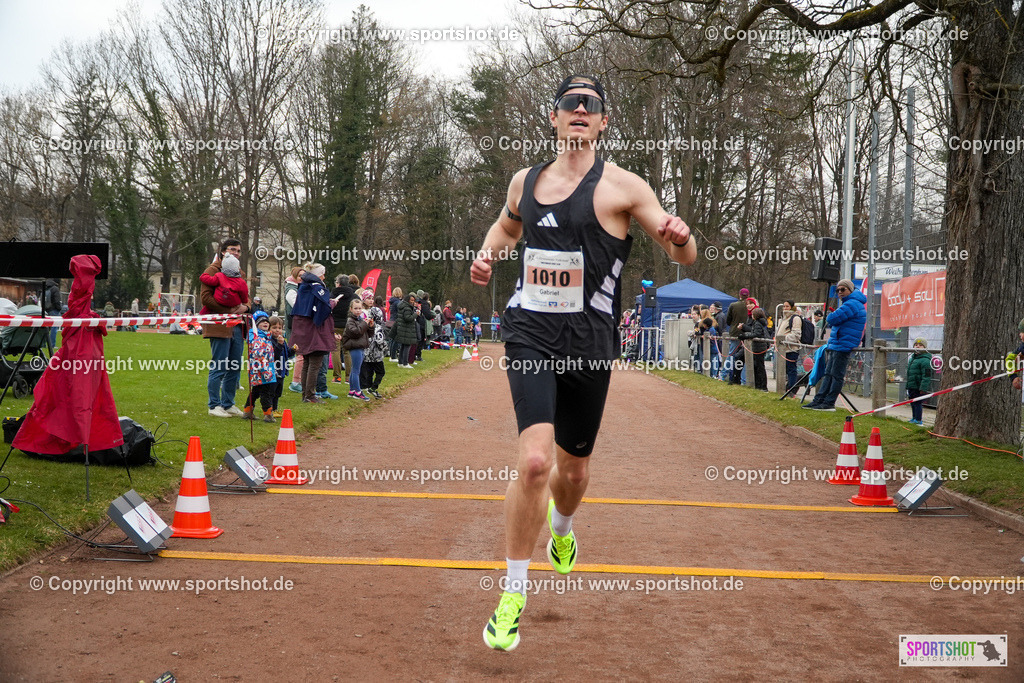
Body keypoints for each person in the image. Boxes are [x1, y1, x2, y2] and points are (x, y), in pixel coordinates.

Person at [469, 74, 697, 651]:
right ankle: (512, 594)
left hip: (590, 346)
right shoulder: (527, 181)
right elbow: (506, 223)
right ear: (553, 117)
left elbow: (682, 253)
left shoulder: (623, 187)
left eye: (590, 105)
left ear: (601, 122)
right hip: (530, 334)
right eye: (569, 102)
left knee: (572, 474)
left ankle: (563, 529)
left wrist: (679, 235)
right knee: (535, 463)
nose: (578, 110)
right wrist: (488, 253)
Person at [201, 239, 250, 418]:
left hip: (238, 325)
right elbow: (206, 298)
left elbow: (246, 296)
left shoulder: (239, 272)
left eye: (238, 250)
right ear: (223, 251)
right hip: (219, 325)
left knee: (234, 366)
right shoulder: (212, 271)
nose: (236, 253)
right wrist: (228, 310)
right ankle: (214, 405)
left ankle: (228, 404)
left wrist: (246, 307)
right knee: (220, 365)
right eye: (232, 249)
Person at [803, 279, 866, 411]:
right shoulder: (850, 303)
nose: (840, 292)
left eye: (843, 289)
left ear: (850, 289)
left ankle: (829, 402)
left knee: (835, 375)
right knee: (828, 374)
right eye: (838, 290)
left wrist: (832, 315)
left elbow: (831, 319)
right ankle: (819, 400)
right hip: (838, 343)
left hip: (843, 344)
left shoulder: (852, 303)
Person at [290, 264, 338, 403]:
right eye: (323, 274)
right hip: (314, 329)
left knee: (307, 363)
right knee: (315, 363)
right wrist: (333, 304)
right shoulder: (316, 287)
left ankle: (306, 394)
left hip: (303, 328)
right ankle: (310, 396)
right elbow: (323, 308)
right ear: (318, 275)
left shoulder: (304, 286)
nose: (324, 276)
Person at [243, 310, 277, 422]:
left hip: (266, 368)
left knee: (256, 391)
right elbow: (258, 354)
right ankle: (268, 414)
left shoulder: (266, 336)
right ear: (256, 324)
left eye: (267, 321)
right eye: (262, 322)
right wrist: (265, 370)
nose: (265, 323)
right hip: (262, 370)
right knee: (265, 392)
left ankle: (247, 411)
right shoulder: (257, 337)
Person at [341, 298, 371, 401]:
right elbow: (356, 332)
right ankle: (358, 392)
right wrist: (364, 324)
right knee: (356, 370)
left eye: (359, 308)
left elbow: (367, 333)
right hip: (355, 347)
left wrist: (370, 326)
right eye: (355, 308)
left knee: (355, 369)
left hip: (360, 346)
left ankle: (352, 390)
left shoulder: (360, 320)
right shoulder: (350, 321)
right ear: (351, 309)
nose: (358, 310)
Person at [360, 295, 387, 399]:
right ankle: (374, 387)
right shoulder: (378, 327)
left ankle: (368, 387)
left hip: (367, 354)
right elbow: (380, 341)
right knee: (381, 372)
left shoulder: (367, 325)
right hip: (376, 355)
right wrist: (385, 349)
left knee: (369, 372)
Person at [330, 274, 355, 384]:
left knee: (335, 350)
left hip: (335, 324)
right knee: (347, 351)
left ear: (338, 283)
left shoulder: (332, 295)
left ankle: (337, 376)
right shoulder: (353, 296)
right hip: (348, 325)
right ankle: (349, 377)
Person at [285, 266, 304, 392]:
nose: (302, 278)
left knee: (303, 355)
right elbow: (298, 306)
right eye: (300, 276)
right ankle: (295, 382)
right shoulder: (291, 290)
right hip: (295, 328)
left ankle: (299, 381)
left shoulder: (297, 288)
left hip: (299, 327)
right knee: (300, 355)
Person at [724, 288, 749, 383]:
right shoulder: (751, 305)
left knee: (731, 355)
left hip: (735, 332)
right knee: (746, 357)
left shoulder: (733, 305)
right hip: (747, 333)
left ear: (739, 294)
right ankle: (744, 380)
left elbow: (728, 320)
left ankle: (723, 375)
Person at [776, 300, 803, 391]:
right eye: (784, 306)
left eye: (787, 306)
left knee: (791, 370)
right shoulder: (783, 319)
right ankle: (786, 388)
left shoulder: (795, 318)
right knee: (786, 370)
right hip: (783, 349)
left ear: (792, 307)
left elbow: (796, 335)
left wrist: (783, 339)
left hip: (791, 349)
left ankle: (792, 389)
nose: (785, 308)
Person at [906, 339, 933, 425]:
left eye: (920, 345)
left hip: (919, 386)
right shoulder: (912, 359)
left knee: (918, 403)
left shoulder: (926, 360)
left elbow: (927, 375)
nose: (917, 346)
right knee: (912, 402)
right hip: (912, 385)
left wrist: (923, 387)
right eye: (916, 345)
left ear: (924, 347)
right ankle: (913, 417)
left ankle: (918, 419)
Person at [268, 315, 290, 418]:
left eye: (279, 328)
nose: (277, 330)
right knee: (271, 392)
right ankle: (270, 409)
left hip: (282, 370)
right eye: (274, 328)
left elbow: (287, 354)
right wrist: (279, 344)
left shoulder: (282, 340)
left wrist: (293, 350)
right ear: (269, 329)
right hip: (274, 371)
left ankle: (275, 409)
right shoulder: (270, 341)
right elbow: (274, 355)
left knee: (278, 392)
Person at [393, 293, 419, 369]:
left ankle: (401, 362)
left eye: (413, 300)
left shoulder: (402, 306)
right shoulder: (407, 308)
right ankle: (405, 363)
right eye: (411, 300)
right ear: (408, 300)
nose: (413, 302)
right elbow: (408, 318)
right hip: (406, 329)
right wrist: (415, 314)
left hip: (403, 328)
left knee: (403, 346)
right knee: (407, 346)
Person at [43, 278, 61, 348]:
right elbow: (57, 301)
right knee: (54, 328)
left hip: (46, 310)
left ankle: (43, 344)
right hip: (54, 310)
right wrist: (59, 308)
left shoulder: (45, 287)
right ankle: (52, 345)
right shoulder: (55, 289)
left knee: (46, 328)